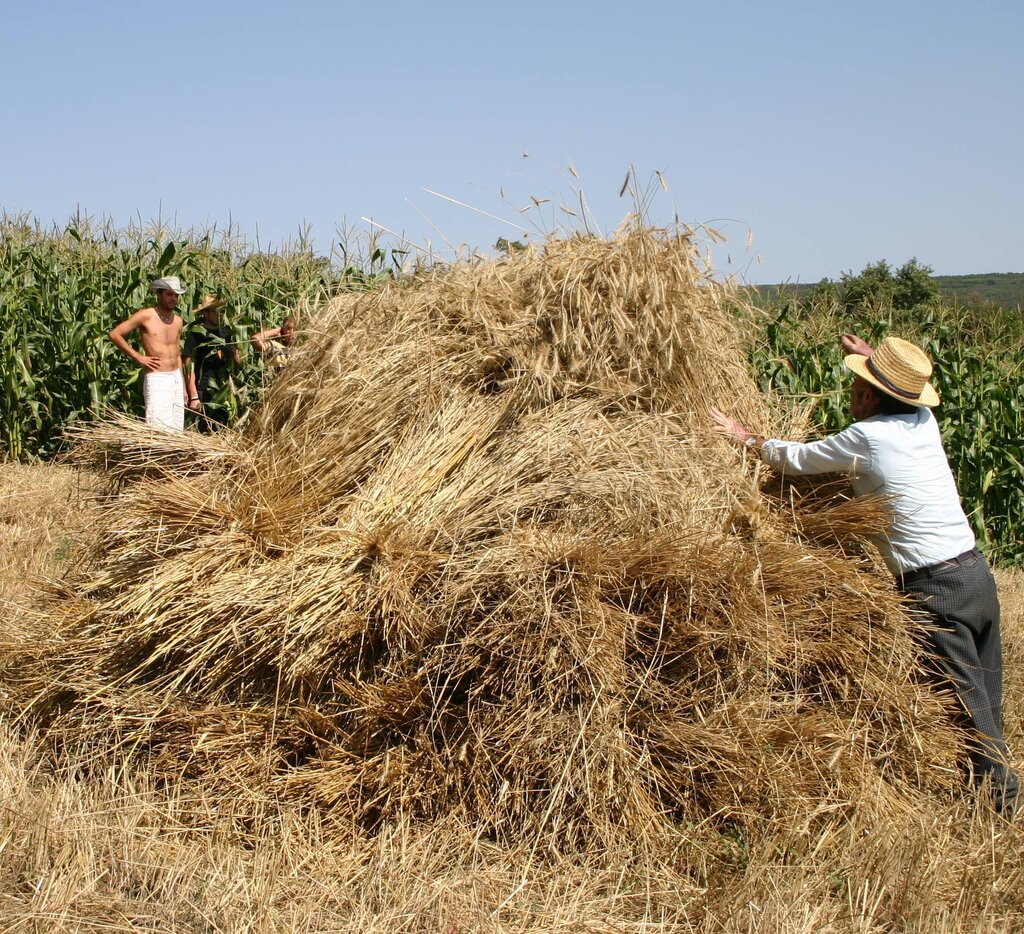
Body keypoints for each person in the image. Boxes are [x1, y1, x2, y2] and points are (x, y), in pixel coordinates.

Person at [711, 334, 1017, 814]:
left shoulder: (867, 438)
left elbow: (794, 459)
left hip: (933, 586)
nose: (851, 389)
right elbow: (898, 393)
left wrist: (743, 435)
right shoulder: (923, 420)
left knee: (964, 700)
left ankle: (1002, 804)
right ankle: (986, 786)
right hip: (975, 573)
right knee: (987, 689)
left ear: (871, 395)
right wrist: (877, 360)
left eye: (859, 382)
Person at [108, 275, 193, 430]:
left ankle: (173, 455)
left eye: (176, 295)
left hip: (175, 378)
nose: (173, 298)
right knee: (158, 427)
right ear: (159, 294)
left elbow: (177, 354)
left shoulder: (178, 320)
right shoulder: (146, 315)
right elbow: (115, 334)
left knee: (176, 428)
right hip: (157, 377)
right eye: (169, 294)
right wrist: (138, 357)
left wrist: (183, 387)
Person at [183, 295, 242, 429]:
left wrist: (236, 355)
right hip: (204, 388)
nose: (220, 315)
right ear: (205, 313)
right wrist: (193, 396)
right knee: (204, 429)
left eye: (222, 311)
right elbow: (187, 366)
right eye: (216, 312)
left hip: (226, 388)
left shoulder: (228, 332)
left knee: (226, 428)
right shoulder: (196, 334)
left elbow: (238, 364)